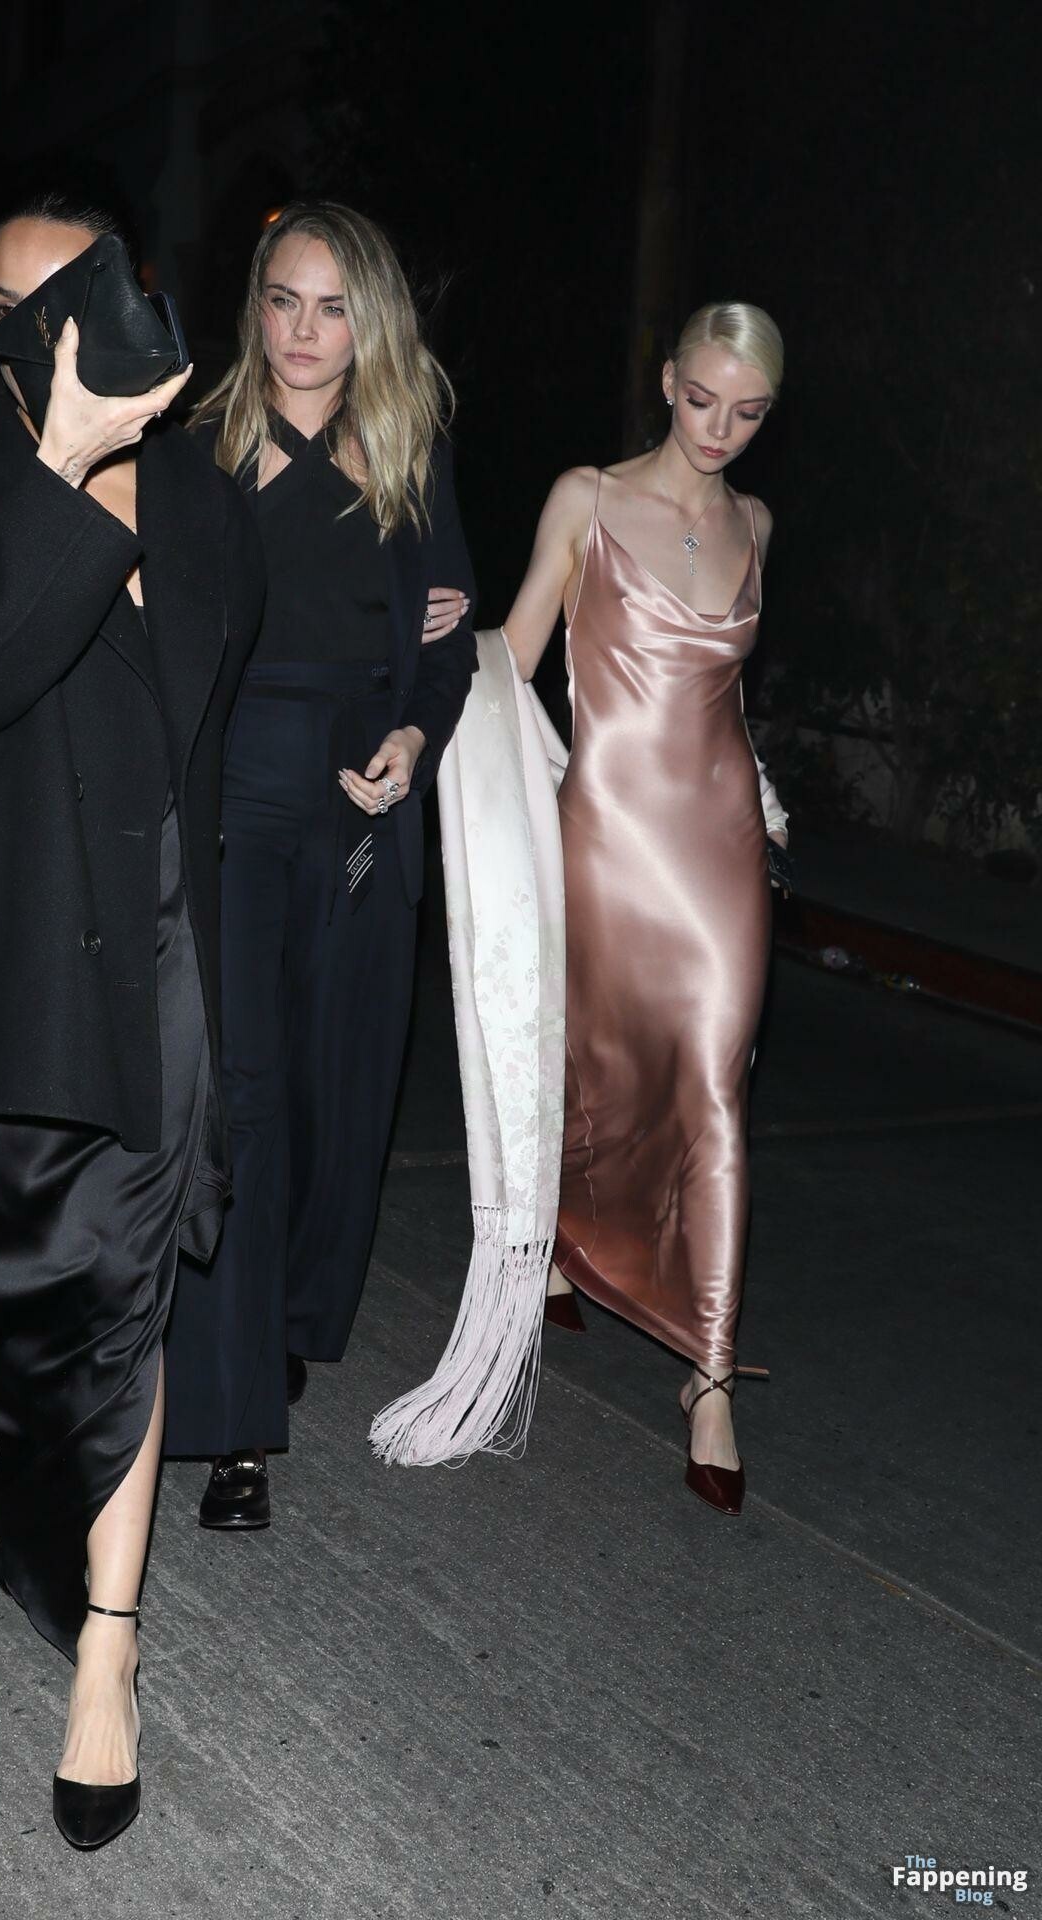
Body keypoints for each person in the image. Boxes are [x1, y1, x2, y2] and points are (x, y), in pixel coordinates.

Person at [0, 189, 264, 1848]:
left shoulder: (205, 498)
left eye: (69, 295)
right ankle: (39, 1502)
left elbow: (224, 719)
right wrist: (65, 466)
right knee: (24, 1312)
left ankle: (110, 1651)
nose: (37, 329)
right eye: (9, 304)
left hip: (162, 964)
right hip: (19, 969)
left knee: (128, 1298)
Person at [162, 201, 477, 1527]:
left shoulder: (407, 452)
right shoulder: (200, 447)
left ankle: (283, 1312)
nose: (303, 330)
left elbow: (447, 649)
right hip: (232, 805)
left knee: (329, 1096)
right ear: (256, 307)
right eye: (284, 300)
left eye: (333, 307)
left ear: (371, 321)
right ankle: (237, 1424)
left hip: (355, 813)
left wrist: (412, 735)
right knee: (240, 1096)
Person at [500, 302, 790, 1515]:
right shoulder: (586, 498)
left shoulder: (754, 524)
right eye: (702, 398)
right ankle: (568, 1234)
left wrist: (762, 793)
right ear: (666, 380)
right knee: (600, 1067)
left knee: (714, 1085)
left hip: (719, 844)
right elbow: (516, 657)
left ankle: (709, 1377)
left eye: (747, 412)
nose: (718, 428)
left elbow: (721, 695)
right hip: (608, 841)